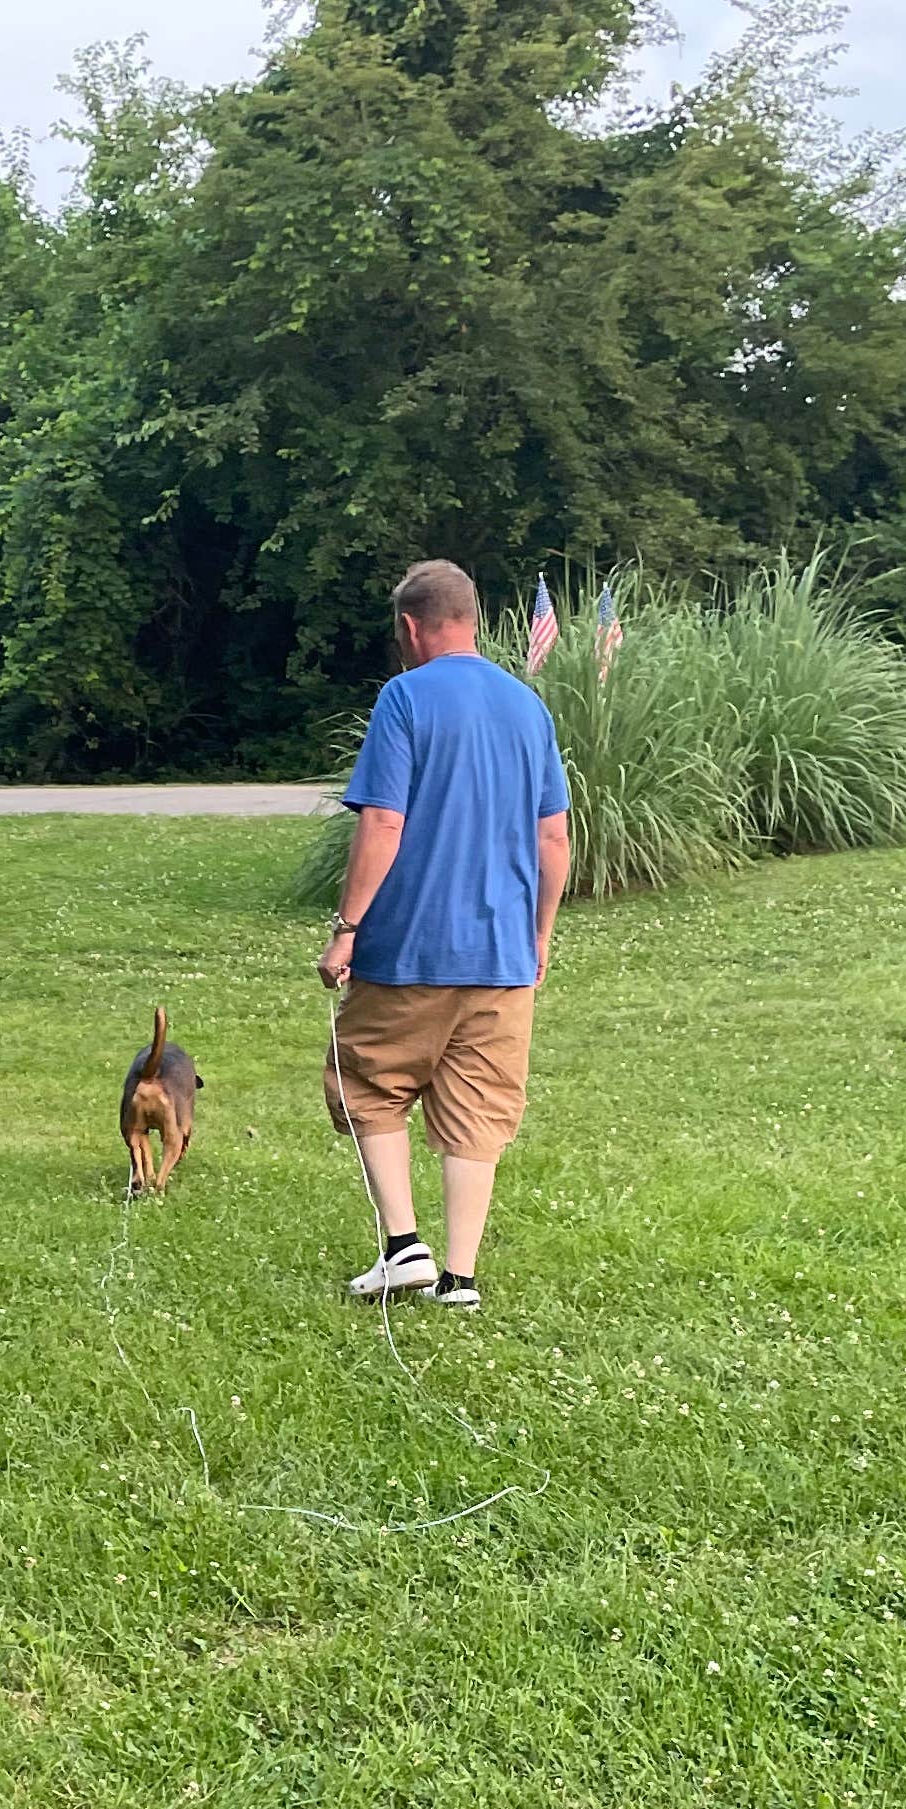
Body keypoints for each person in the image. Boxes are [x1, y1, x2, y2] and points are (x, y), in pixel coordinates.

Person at [316, 559, 573, 1308]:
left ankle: (403, 1249)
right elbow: (553, 838)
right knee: (479, 1106)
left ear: (410, 627)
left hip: (409, 946)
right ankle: (459, 1276)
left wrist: (347, 927)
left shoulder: (405, 698)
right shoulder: (528, 707)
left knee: (367, 1083)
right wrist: (541, 936)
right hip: (502, 953)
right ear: (475, 618)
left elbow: (384, 821)